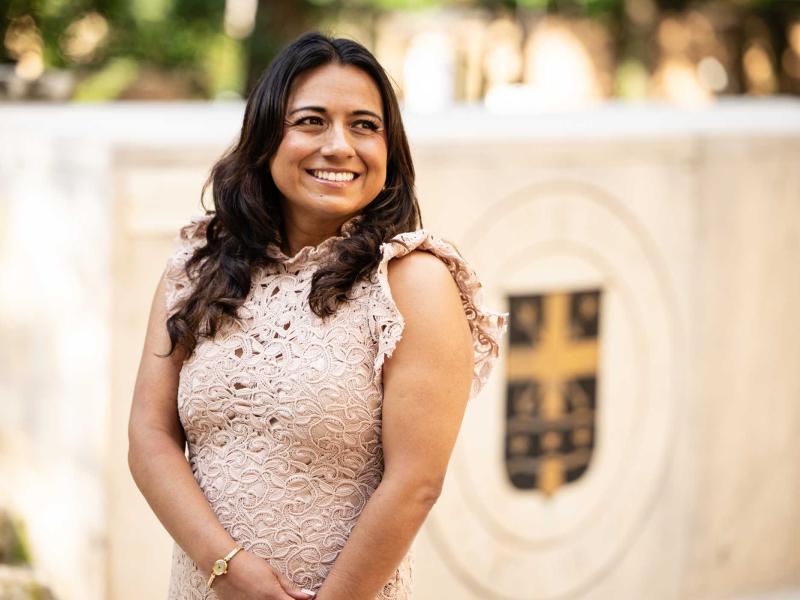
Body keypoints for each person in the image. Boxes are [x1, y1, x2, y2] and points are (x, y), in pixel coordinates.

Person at [128, 30, 507, 600]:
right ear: (265, 138)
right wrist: (224, 567)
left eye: (364, 125)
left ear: (389, 149)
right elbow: (150, 434)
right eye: (310, 121)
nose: (339, 146)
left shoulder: (412, 281)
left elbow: (415, 483)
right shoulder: (199, 265)